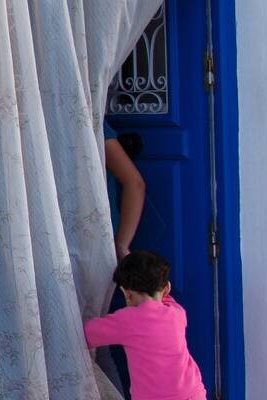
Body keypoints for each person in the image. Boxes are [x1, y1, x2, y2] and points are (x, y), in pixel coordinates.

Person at [85, 251, 207, 400]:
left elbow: (88, 334)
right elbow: (164, 298)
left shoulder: (127, 320)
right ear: (166, 289)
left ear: (128, 295)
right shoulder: (177, 313)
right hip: (193, 393)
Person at [104, 122, 146, 259]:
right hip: (100, 235)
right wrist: (122, 246)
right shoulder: (86, 120)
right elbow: (135, 183)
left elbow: (135, 184)